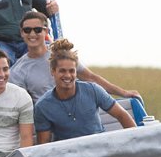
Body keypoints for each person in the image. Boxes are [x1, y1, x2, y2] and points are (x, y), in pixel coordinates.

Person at [10, 10, 142, 104]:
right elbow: (24, 107)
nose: (32, 34)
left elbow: (91, 78)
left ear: (46, 31)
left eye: (37, 30)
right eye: (27, 30)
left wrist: (123, 93)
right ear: (21, 33)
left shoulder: (61, 54)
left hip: (78, 110)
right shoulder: (17, 71)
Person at [34, 39, 136, 143]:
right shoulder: (43, 106)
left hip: (100, 148)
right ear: (53, 71)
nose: (68, 75)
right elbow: (43, 145)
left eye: (71, 71)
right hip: (68, 155)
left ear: (76, 71)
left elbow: (122, 115)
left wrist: (135, 142)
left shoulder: (93, 90)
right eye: (62, 71)